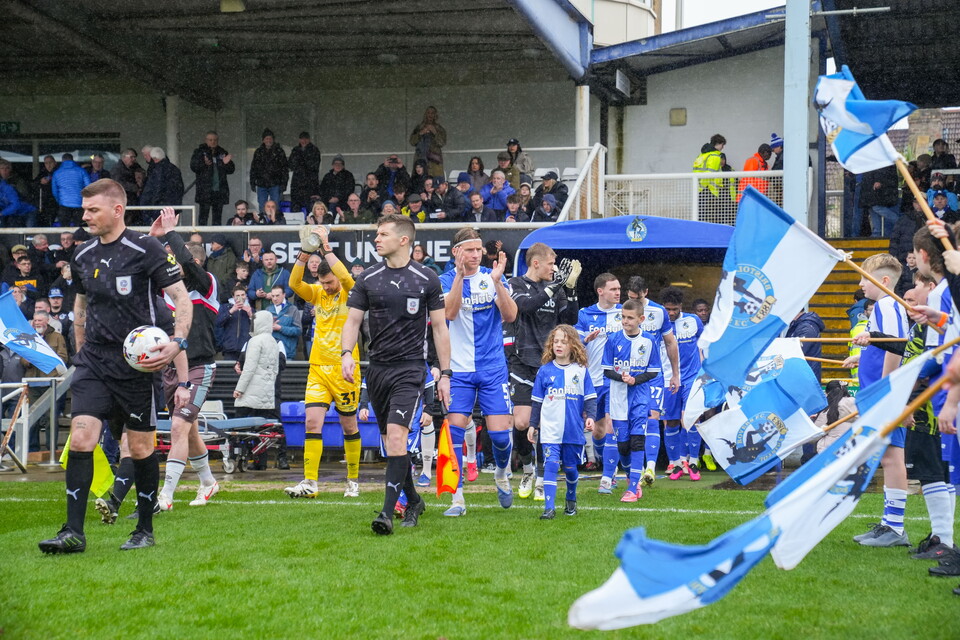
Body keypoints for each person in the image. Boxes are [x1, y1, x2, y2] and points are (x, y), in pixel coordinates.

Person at [38, 179, 193, 554]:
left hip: (135, 366)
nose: (85, 215)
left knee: (140, 448)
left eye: (93, 209)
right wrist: (79, 350)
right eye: (84, 209)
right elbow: (80, 307)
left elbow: (181, 298)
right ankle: (73, 531)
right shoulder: (82, 254)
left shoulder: (146, 248)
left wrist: (177, 343)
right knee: (81, 437)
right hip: (93, 359)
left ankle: (143, 529)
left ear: (117, 210)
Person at [340, 213, 451, 535]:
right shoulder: (368, 278)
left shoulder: (427, 278)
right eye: (377, 233)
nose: (377, 238)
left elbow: (441, 329)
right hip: (377, 370)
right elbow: (352, 322)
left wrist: (445, 373)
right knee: (391, 444)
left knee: (399, 436)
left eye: (383, 233)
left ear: (404, 240)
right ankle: (414, 500)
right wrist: (347, 354)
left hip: (410, 369)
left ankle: (388, 513)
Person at [438, 228, 517, 516]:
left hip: (493, 368)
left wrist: (497, 284)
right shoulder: (445, 279)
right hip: (458, 370)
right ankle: (457, 498)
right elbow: (449, 313)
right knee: (454, 432)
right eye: (469, 249)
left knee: (499, 438)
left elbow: (510, 316)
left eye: (478, 249)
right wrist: (459, 276)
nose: (475, 254)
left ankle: (500, 474)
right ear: (456, 252)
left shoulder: (492, 276)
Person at [148, 209, 222, 510]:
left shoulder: (207, 285)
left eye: (175, 261)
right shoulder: (165, 294)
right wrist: (153, 240)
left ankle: (165, 495)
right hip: (171, 368)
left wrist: (169, 234)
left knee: (178, 427)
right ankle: (208, 482)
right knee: (188, 430)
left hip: (201, 366)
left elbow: (189, 264)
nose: (172, 267)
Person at [284, 226, 364, 499]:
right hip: (318, 368)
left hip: (345, 367)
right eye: (324, 283)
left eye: (330, 283)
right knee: (311, 423)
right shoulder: (318, 293)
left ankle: (352, 480)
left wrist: (327, 248)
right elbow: (294, 285)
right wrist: (304, 255)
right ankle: (310, 482)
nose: (328, 287)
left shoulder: (350, 292)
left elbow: (344, 276)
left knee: (349, 426)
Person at [841, 253, 910, 547]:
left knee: (893, 457)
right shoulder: (885, 307)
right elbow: (885, 343)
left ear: (883, 281)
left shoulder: (886, 304)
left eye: (864, 278)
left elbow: (896, 346)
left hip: (884, 392)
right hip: (879, 391)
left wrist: (885, 387)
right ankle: (889, 524)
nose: (860, 284)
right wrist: (862, 354)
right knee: (887, 456)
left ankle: (894, 528)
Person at [508, 243, 580, 501]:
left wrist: (570, 290)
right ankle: (527, 469)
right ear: (536, 263)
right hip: (523, 361)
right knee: (522, 423)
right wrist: (555, 286)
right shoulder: (515, 284)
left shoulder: (557, 287)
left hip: (549, 363)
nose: (555, 269)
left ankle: (541, 478)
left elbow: (569, 319)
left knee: (544, 426)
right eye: (551, 263)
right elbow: (525, 307)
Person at [529, 324, 595, 519]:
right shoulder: (544, 371)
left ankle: (571, 498)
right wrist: (533, 424)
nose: (558, 345)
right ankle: (549, 508)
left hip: (573, 430)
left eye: (564, 342)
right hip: (550, 429)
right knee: (550, 464)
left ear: (573, 345)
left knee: (571, 468)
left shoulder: (581, 371)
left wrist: (590, 416)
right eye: (555, 341)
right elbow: (537, 401)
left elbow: (591, 398)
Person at [602, 299, 661, 502]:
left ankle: (634, 488)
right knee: (623, 446)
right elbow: (607, 369)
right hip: (618, 399)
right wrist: (622, 378)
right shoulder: (613, 339)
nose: (625, 321)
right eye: (623, 317)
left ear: (641, 319)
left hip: (640, 397)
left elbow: (653, 371)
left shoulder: (650, 340)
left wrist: (635, 379)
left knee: (637, 441)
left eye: (630, 318)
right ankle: (631, 476)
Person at [625, 276, 680, 486]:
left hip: (654, 374)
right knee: (628, 420)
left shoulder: (658, 312)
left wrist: (675, 374)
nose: (634, 302)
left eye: (637, 298)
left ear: (645, 292)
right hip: (629, 376)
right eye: (630, 298)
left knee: (653, 416)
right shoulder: (625, 311)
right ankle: (630, 466)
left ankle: (650, 467)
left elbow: (670, 342)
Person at [574, 273, 622, 493]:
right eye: (613, 289)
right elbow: (575, 347)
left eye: (619, 289)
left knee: (612, 427)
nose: (618, 292)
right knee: (599, 432)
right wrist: (586, 340)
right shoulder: (585, 314)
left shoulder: (624, 313)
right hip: (592, 381)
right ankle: (604, 459)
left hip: (615, 380)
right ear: (600, 291)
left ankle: (607, 477)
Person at [659, 287, 705, 480]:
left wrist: (704, 372)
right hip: (668, 379)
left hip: (692, 378)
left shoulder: (693, 321)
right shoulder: (658, 325)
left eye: (674, 309)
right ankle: (676, 464)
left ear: (681, 307)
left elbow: (702, 345)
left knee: (692, 418)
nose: (671, 313)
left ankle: (693, 462)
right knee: (670, 421)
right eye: (667, 309)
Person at [21, 310, 68, 452]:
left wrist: (45, 359)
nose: (37, 323)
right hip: (33, 383)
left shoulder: (57, 337)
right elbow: (22, 359)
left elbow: (63, 358)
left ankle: (51, 449)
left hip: (50, 384)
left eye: (40, 320)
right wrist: (27, 361)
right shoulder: (28, 338)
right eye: (35, 320)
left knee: (50, 419)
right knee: (31, 419)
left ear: (47, 321)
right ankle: (32, 450)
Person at [233, 310, 280, 417]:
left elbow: (249, 368)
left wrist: (239, 389)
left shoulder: (255, 341)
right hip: (267, 391)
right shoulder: (273, 341)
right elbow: (275, 370)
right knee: (261, 425)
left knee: (240, 423)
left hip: (251, 391)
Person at [189, 131, 235, 226]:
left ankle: (216, 239)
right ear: (206, 140)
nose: (213, 142)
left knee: (217, 218)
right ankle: (201, 238)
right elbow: (193, 167)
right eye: (210, 140)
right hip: (205, 190)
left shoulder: (222, 152)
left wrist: (227, 163)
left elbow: (231, 170)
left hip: (219, 191)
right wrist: (203, 163)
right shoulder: (199, 152)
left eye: (215, 140)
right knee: (203, 217)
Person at [139, 147, 184, 221]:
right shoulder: (175, 169)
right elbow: (180, 188)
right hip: (173, 206)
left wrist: (149, 204)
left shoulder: (157, 170)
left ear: (154, 158)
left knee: (159, 228)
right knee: (170, 228)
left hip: (159, 207)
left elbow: (156, 189)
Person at [250, 129, 288, 214]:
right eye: (266, 138)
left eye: (270, 138)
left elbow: (284, 169)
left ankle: (276, 222)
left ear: (273, 139)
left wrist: (283, 183)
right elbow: (253, 168)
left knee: (275, 205)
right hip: (261, 184)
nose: (268, 140)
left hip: (275, 183)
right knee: (262, 205)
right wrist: (252, 182)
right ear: (263, 140)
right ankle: (263, 222)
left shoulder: (279, 151)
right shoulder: (258, 152)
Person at [692, 135, 726, 223]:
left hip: (700, 189)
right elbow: (711, 174)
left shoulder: (701, 155)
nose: (722, 148)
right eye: (722, 145)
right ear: (719, 144)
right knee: (713, 217)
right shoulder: (715, 156)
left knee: (701, 215)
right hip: (710, 191)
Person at [52, 153, 91, 227]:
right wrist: (84, 199)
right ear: (72, 160)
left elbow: (54, 191)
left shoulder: (57, 173)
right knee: (79, 229)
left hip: (64, 205)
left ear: (62, 161)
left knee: (64, 230)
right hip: (79, 205)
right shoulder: (81, 171)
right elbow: (89, 187)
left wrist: (59, 201)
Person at [217, 284, 253, 360]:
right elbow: (218, 322)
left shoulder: (251, 309)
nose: (240, 297)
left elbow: (257, 328)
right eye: (237, 295)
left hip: (246, 349)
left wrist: (250, 315)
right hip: (229, 348)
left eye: (242, 295)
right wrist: (231, 311)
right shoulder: (225, 307)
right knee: (229, 371)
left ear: (246, 296)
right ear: (233, 297)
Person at [288, 132, 321, 214]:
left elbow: (314, 166)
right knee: (295, 208)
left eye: (306, 139)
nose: (304, 141)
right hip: (297, 185)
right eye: (302, 139)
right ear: (299, 140)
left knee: (311, 208)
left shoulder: (314, 150)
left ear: (309, 139)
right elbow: (290, 165)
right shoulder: (295, 150)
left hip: (310, 184)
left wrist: (301, 164)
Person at [409, 106, 446, 177]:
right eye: (428, 113)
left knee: (435, 181)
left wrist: (435, 132)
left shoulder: (439, 128)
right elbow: (412, 142)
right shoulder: (419, 127)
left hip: (434, 160)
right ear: (425, 114)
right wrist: (421, 133)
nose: (430, 115)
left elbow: (442, 142)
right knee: (419, 179)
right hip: (420, 158)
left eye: (432, 113)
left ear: (435, 115)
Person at [266, 284, 300, 359]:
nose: (275, 298)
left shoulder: (293, 309)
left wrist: (280, 328)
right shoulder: (268, 310)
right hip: (270, 353)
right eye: (273, 296)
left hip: (287, 353)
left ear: (284, 295)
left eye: (277, 295)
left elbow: (298, 330)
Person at [205, 232, 237, 302]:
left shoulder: (230, 256)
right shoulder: (211, 257)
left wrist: (219, 282)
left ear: (219, 244)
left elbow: (230, 272)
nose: (211, 244)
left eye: (213, 242)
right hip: (211, 290)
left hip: (223, 291)